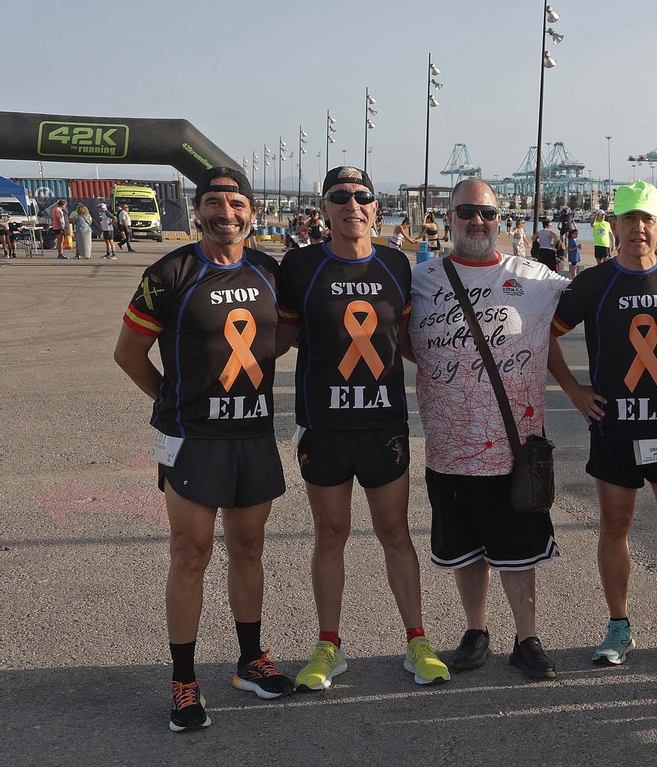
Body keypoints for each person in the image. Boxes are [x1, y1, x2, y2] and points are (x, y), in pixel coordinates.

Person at [112, 167, 289, 732]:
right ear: (198, 210)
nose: (226, 212)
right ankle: (184, 681)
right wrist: (172, 398)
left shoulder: (269, 272)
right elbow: (129, 353)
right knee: (191, 553)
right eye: (214, 202)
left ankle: (249, 662)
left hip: (254, 433)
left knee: (250, 546)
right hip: (193, 438)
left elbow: (285, 334)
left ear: (252, 213)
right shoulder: (171, 271)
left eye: (236, 203)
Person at [276, 166, 451, 690]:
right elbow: (277, 337)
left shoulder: (398, 263)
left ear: (377, 209)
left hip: (384, 426)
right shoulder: (300, 266)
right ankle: (329, 645)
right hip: (324, 427)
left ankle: (417, 641)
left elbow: (413, 335)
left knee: (395, 533)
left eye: (363, 197)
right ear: (324, 210)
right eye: (340, 197)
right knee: (331, 535)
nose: (353, 204)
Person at [405, 178, 567, 679]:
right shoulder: (420, 278)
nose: (478, 221)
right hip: (449, 448)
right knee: (466, 549)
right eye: (466, 212)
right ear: (448, 217)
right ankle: (475, 631)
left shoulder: (535, 277)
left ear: (502, 220)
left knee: (519, 551)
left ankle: (526, 637)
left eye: (487, 213)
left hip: (513, 450)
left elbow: (599, 300)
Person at [548, 180, 657, 666]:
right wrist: (575, 393)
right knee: (615, 524)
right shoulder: (594, 282)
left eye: (647, 219)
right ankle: (618, 626)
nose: (638, 228)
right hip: (615, 429)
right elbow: (547, 336)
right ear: (614, 225)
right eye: (629, 218)